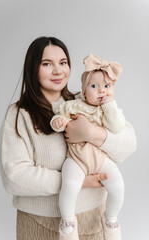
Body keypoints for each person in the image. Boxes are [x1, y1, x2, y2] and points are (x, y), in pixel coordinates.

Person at [0, 36, 136, 240]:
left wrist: (91, 133)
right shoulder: (20, 114)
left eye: (63, 63)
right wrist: (80, 181)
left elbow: (129, 143)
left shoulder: (85, 101)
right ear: (32, 68)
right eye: (47, 64)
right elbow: (14, 177)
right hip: (39, 224)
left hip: (94, 221)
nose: (58, 71)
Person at [50, 54, 126, 240]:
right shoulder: (74, 105)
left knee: (118, 187)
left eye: (107, 86)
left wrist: (109, 106)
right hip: (76, 159)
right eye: (94, 86)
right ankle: (68, 221)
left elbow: (117, 127)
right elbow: (60, 117)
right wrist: (58, 121)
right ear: (84, 92)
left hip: (100, 159)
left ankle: (111, 219)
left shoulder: (110, 111)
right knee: (69, 186)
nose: (102, 91)